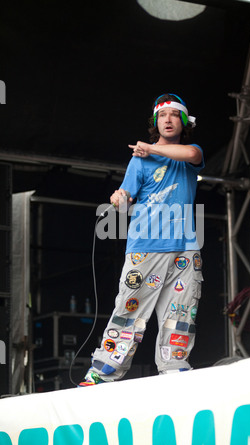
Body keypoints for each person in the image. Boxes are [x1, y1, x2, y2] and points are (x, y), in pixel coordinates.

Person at [79, 93, 205, 386]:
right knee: (129, 308)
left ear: (184, 121)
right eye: (162, 116)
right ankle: (105, 370)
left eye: (174, 115)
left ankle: (175, 367)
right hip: (146, 246)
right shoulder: (139, 161)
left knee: (182, 310)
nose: (168, 120)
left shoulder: (190, 151)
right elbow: (125, 202)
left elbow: (192, 156)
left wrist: (149, 148)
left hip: (185, 248)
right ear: (155, 122)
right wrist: (118, 199)